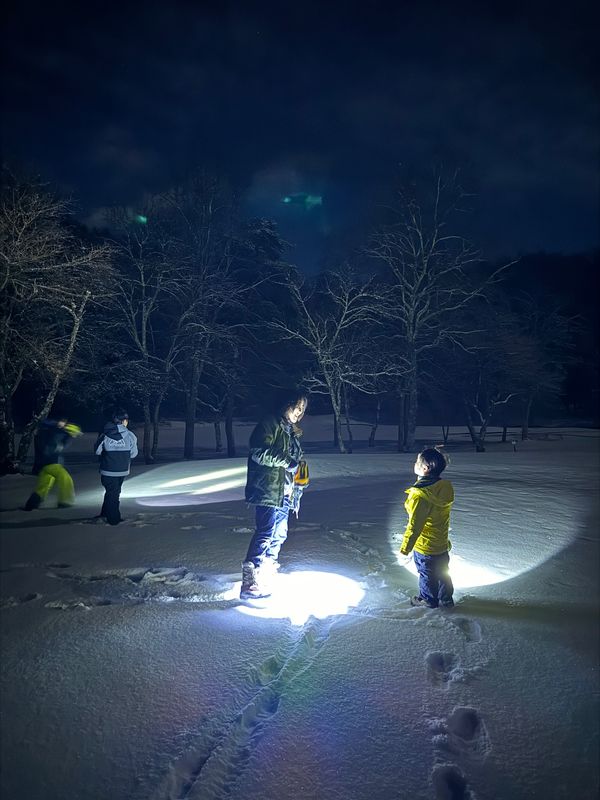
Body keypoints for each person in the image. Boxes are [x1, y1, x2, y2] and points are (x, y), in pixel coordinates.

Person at [240, 390, 308, 599]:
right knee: (266, 531)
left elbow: (296, 461)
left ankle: (267, 570)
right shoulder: (270, 423)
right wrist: (288, 462)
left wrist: (299, 480)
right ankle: (249, 579)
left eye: (303, 409)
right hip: (269, 489)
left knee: (279, 534)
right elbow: (259, 451)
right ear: (287, 404)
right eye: (297, 406)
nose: (300, 412)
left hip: (286, 492)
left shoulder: (292, 432)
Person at [399, 447, 455, 609]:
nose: (415, 464)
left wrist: (405, 548)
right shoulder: (443, 488)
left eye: (417, 461)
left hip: (425, 545)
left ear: (425, 468)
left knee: (427, 574)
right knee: (443, 572)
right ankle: (446, 599)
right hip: (441, 542)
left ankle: (428, 599)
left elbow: (415, 525)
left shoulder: (420, 496)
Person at [23, 417, 82, 510]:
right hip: (52, 462)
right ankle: (65, 501)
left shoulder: (51, 431)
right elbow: (59, 444)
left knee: (44, 485)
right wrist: (69, 433)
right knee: (65, 479)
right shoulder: (58, 432)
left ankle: (32, 503)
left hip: (45, 464)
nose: (75, 436)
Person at [93, 410, 138, 525]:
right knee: (114, 493)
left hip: (107, 470)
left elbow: (97, 451)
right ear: (124, 421)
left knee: (111, 492)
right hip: (122, 470)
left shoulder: (104, 435)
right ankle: (113, 519)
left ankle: (107, 514)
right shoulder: (130, 435)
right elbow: (134, 454)